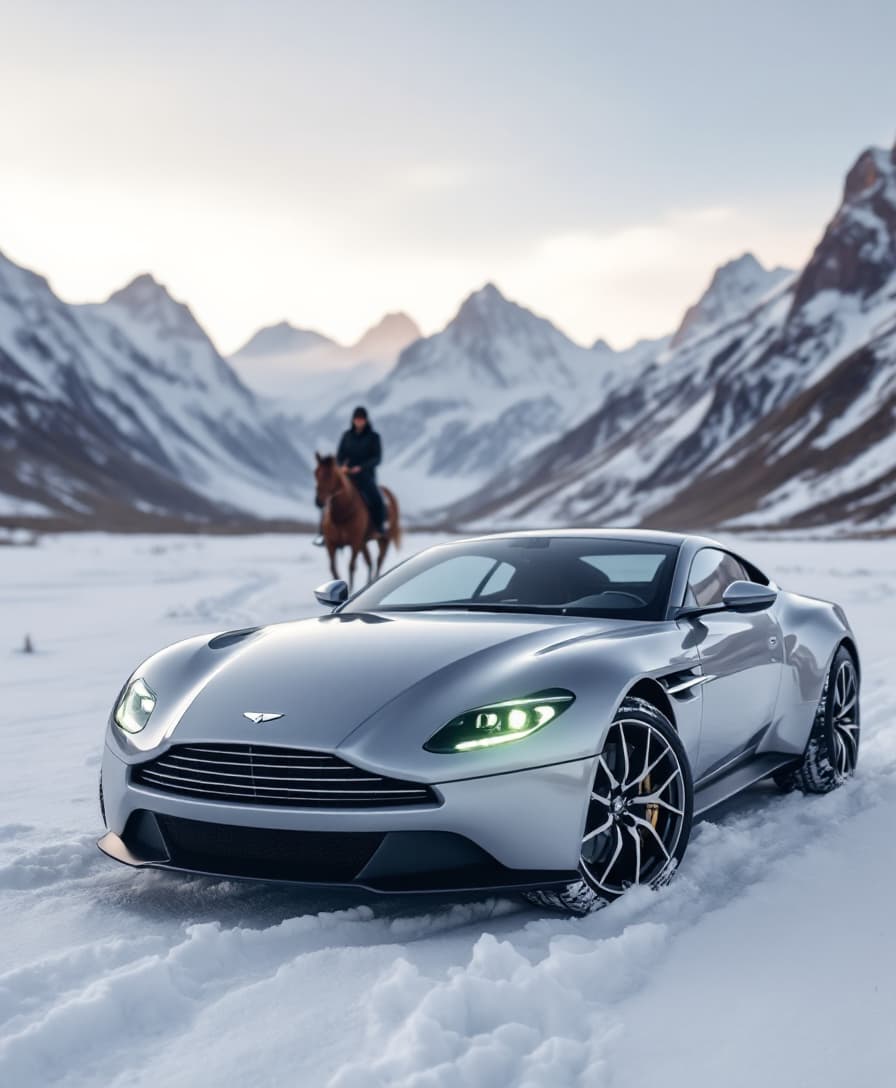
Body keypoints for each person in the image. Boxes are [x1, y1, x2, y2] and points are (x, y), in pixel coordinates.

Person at [313, 406, 386, 544]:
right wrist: (343, 466)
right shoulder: (347, 436)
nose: (359, 421)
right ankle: (323, 533)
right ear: (353, 420)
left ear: (365, 420)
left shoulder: (374, 437)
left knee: (376, 499)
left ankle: (379, 528)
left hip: (366, 476)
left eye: (361, 419)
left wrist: (362, 467)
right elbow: (339, 456)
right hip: (347, 476)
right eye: (357, 419)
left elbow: (377, 458)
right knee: (327, 497)